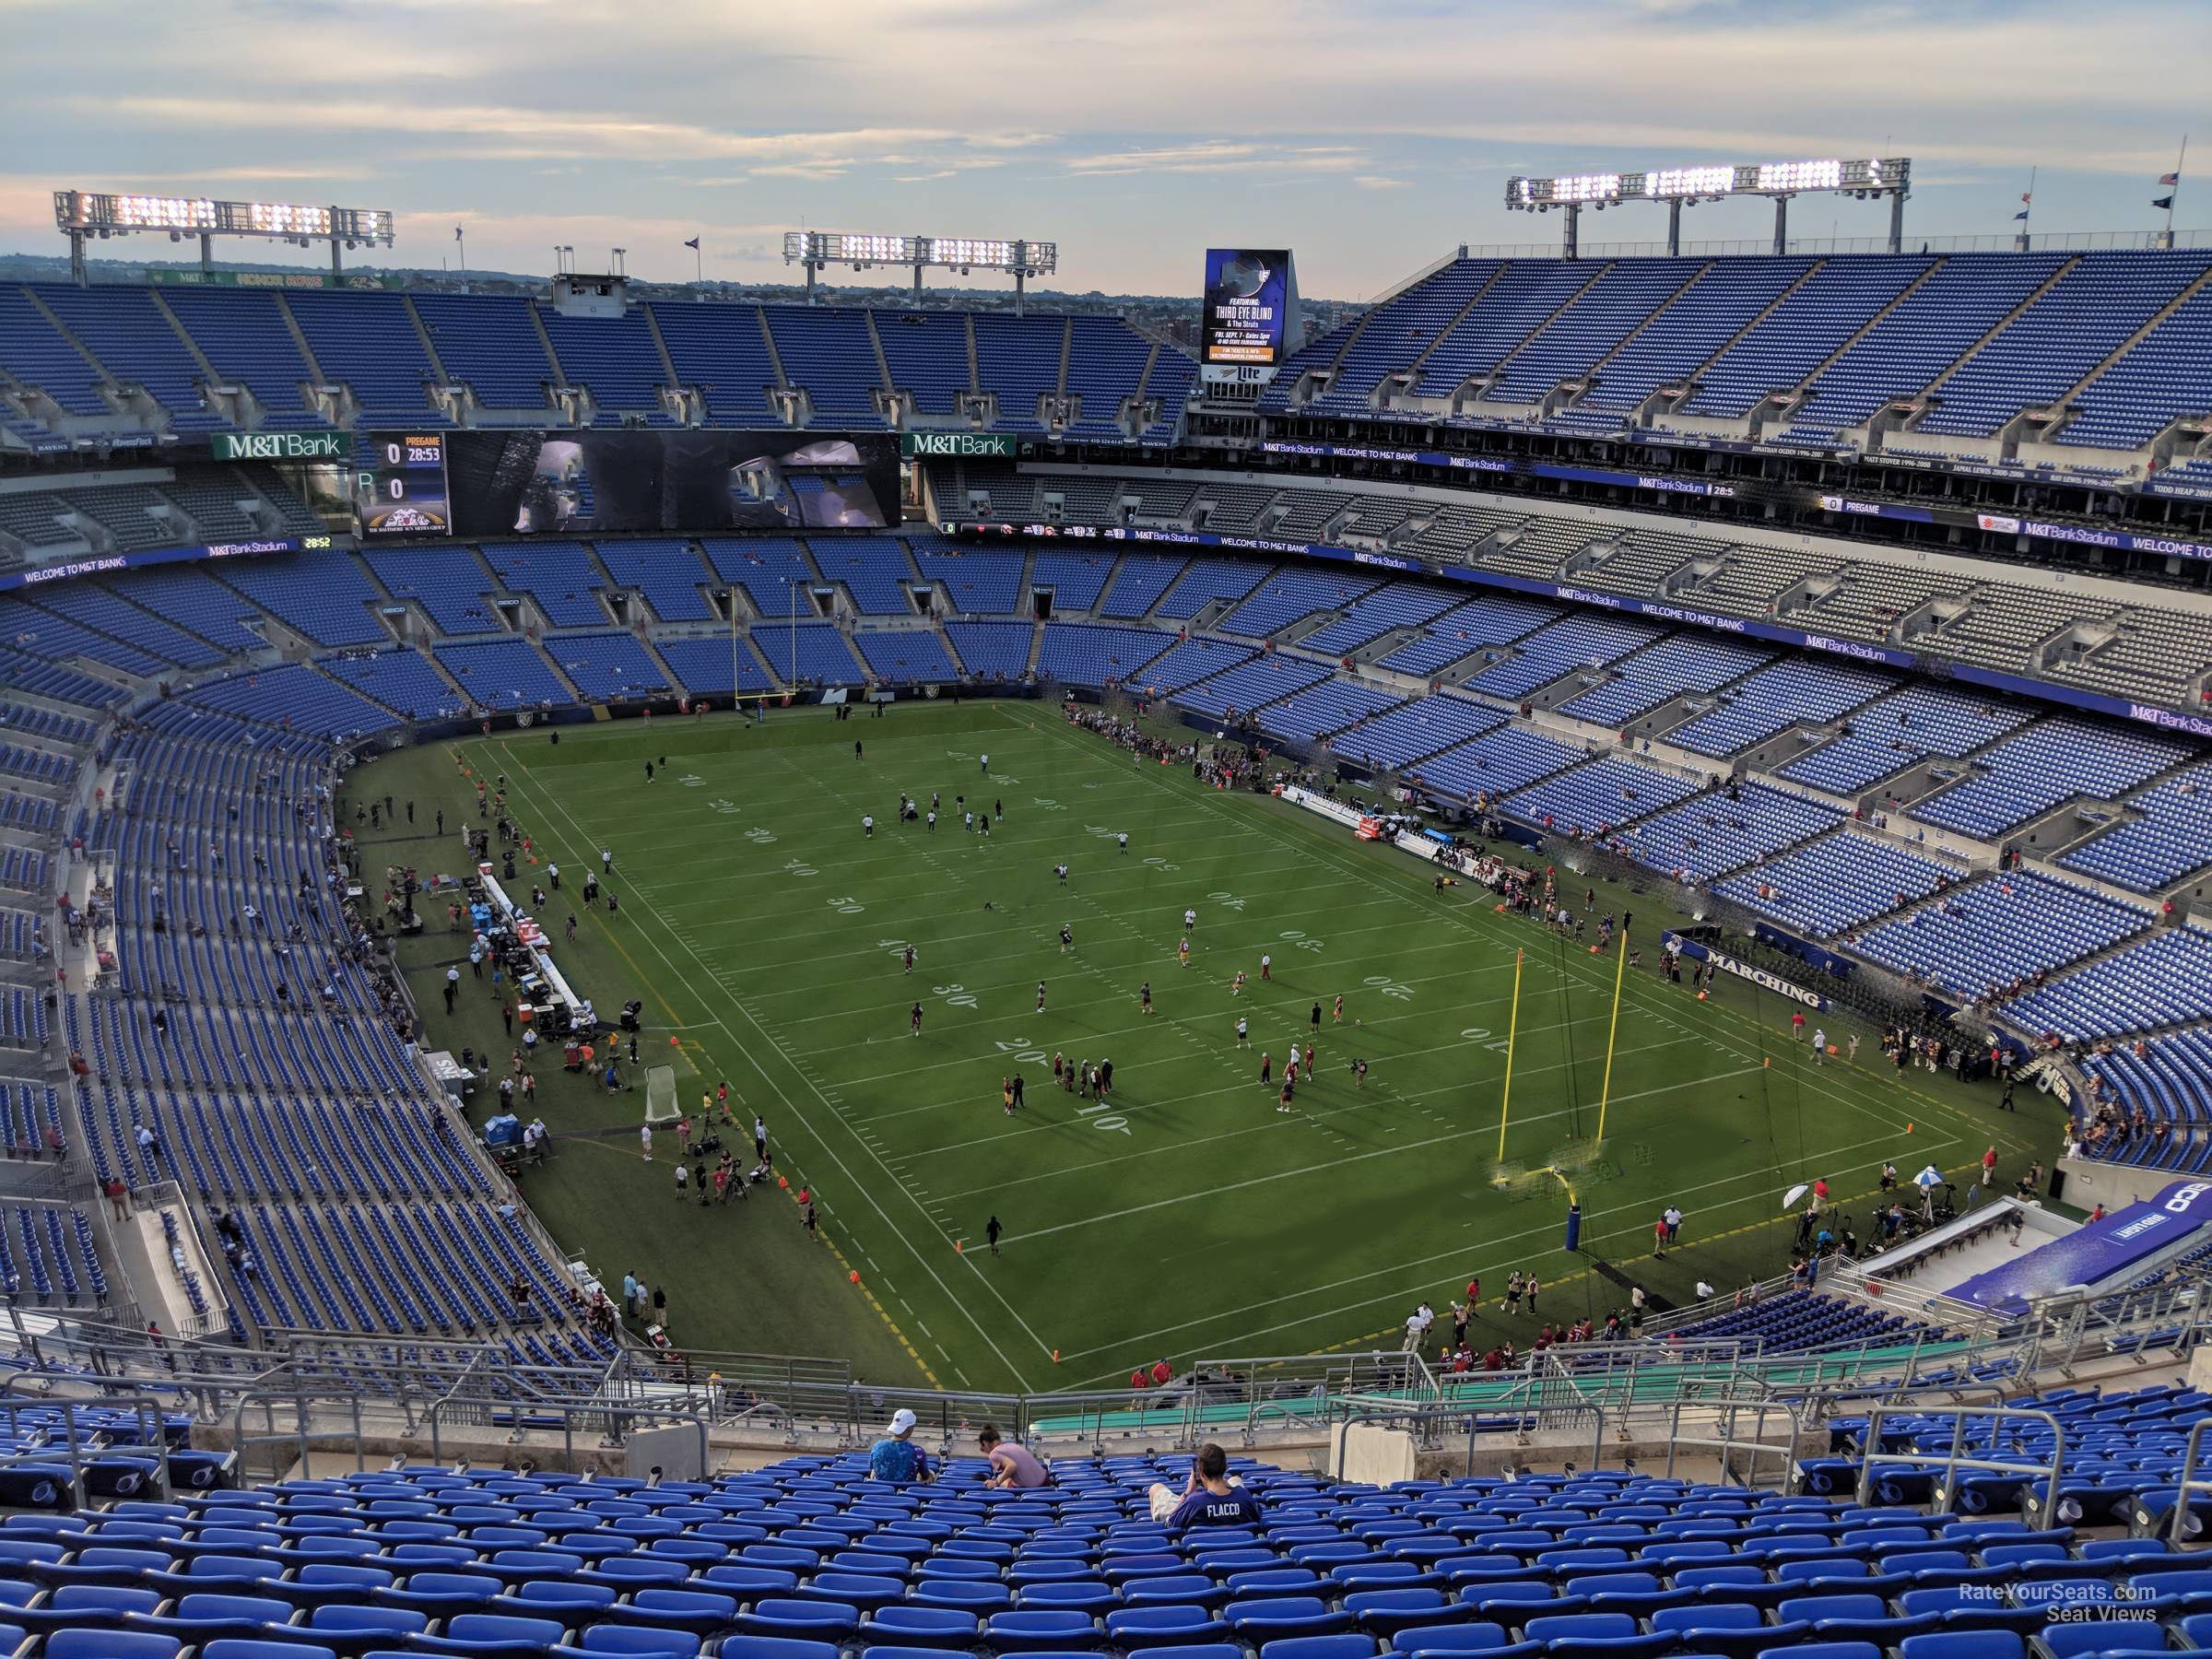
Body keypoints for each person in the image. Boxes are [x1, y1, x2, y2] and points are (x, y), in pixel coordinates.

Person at [1148, 1441, 1263, 1530]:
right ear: (1225, 1468)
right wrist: (1227, 1484)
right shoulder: (1244, 1496)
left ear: (1201, 1473)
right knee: (1235, 1479)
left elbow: (1170, 1524)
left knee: (1156, 1488)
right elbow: (1258, 1515)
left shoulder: (1193, 1502)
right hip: (1239, 1550)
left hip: (1201, 1553)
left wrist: (1188, 1492)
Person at [869, 1408, 932, 1482]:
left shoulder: (877, 1446)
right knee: (931, 1475)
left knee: (873, 1472)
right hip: (907, 1490)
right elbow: (925, 1476)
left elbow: (872, 1467)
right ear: (910, 1429)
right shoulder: (918, 1452)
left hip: (881, 1490)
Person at [977, 1424, 1047, 1488]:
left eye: (982, 1448)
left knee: (1001, 1483)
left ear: (985, 1443)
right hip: (1045, 1480)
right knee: (1006, 1479)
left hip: (1031, 1488)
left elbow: (1012, 1466)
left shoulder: (994, 1454)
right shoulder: (1012, 1445)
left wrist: (996, 1482)